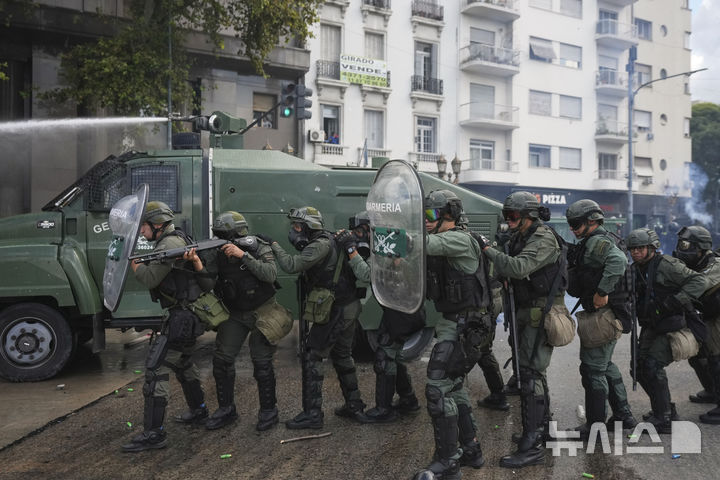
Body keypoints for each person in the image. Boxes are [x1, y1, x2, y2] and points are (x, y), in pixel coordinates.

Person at [480, 191, 567, 468]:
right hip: (525, 310)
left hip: (539, 313)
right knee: (532, 373)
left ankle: (533, 444)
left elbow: (518, 268)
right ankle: (543, 431)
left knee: (529, 377)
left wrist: (487, 249)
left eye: (514, 216)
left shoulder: (543, 238)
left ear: (529, 216)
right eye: (507, 216)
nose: (510, 221)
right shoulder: (521, 236)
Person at [122, 201, 214, 452]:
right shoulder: (174, 240)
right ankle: (199, 411)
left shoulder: (169, 245)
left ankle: (154, 434)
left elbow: (150, 277)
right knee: (183, 363)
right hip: (185, 315)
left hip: (183, 317)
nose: (141, 232)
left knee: (155, 370)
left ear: (158, 224)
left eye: (144, 227)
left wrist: (134, 264)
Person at [262, 206, 365, 429]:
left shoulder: (320, 244)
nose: (294, 230)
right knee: (343, 355)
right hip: (348, 305)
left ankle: (313, 414)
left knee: (313, 356)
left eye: (298, 226)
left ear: (309, 227)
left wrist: (274, 244)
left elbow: (291, 266)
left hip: (335, 309)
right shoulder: (329, 239)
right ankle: (355, 405)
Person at [414, 189, 492, 479]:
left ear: (449, 215)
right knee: (454, 387)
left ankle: (447, 461)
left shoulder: (458, 239)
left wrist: (386, 233)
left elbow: (417, 244)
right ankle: (471, 450)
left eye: (431, 214)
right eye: (423, 215)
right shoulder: (445, 241)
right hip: (457, 322)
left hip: (465, 326)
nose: (426, 220)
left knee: (437, 387)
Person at [203, 211, 287, 432]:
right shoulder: (216, 251)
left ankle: (269, 411)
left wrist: (242, 255)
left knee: (261, 362)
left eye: (225, 234)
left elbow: (270, 274)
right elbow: (207, 282)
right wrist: (196, 263)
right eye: (218, 235)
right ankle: (226, 409)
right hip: (235, 312)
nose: (222, 239)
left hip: (263, 310)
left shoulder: (257, 246)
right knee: (222, 359)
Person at [336, 212, 423, 424]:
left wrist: (351, 251)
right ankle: (408, 399)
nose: (358, 236)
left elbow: (367, 275)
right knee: (394, 356)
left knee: (384, 358)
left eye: (359, 232)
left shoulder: (391, 243)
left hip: (403, 312)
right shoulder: (391, 240)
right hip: (401, 309)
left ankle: (384, 410)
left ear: (370, 229)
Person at [565, 199, 637, 437]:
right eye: (571, 224)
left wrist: (601, 292)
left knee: (592, 369)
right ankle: (623, 415)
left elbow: (618, 261)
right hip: (613, 313)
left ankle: (595, 427)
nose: (573, 229)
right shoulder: (597, 240)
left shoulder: (597, 241)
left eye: (576, 224)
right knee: (605, 366)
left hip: (604, 314)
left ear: (592, 221)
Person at [626, 228, 705, 433]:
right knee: (638, 368)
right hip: (651, 325)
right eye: (632, 249)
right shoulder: (634, 269)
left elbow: (699, 281)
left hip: (671, 324)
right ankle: (665, 408)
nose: (635, 252)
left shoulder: (667, 266)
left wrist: (674, 301)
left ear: (652, 247)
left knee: (652, 365)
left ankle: (664, 418)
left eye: (640, 248)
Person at [671, 225, 720, 424]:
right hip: (704, 316)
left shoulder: (714, 265)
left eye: (687, 245)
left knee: (717, 360)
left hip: (716, 318)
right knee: (698, 356)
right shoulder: (694, 264)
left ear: (701, 248)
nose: (682, 249)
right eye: (681, 244)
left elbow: (700, 286)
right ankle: (711, 390)